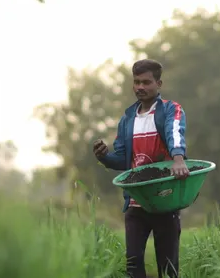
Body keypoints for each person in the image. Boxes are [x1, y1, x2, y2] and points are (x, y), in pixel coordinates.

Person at [93, 59, 190, 278]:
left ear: (159, 84)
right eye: (136, 82)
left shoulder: (170, 110)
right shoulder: (127, 119)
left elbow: (176, 132)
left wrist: (178, 158)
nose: (140, 87)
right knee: (133, 264)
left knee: (168, 267)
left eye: (146, 82)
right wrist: (105, 157)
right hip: (136, 203)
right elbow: (123, 159)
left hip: (165, 199)